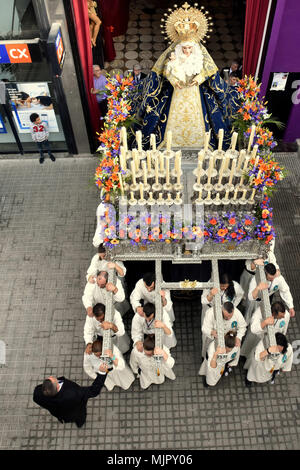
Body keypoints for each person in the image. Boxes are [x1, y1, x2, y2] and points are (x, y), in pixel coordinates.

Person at [129, 4, 240, 150]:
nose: (187, 51)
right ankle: (171, 140)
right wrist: (174, 79)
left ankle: (200, 140)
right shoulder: (174, 54)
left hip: (194, 91)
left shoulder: (199, 54)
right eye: (184, 48)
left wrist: (200, 78)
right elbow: (166, 70)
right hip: (177, 90)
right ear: (180, 47)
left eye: (189, 48)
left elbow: (208, 69)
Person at [33, 365, 107, 427]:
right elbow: (93, 391)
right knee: (80, 417)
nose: (52, 376)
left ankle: (75, 422)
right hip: (75, 411)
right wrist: (102, 373)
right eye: (53, 379)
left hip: (61, 414)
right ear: (58, 387)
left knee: (70, 417)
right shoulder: (73, 393)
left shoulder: (37, 393)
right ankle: (80, 424)